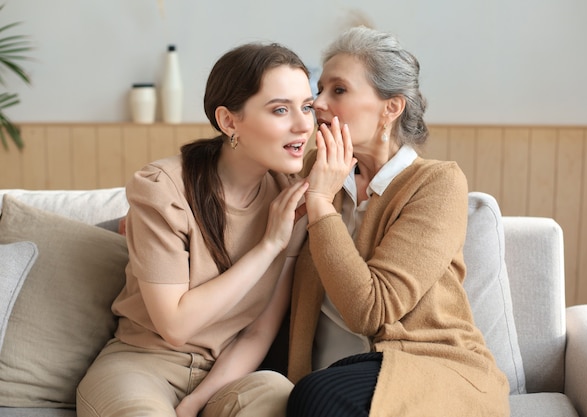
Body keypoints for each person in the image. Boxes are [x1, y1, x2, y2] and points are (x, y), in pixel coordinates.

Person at [76, 42, 315, 417]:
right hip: (142, 366)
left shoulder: (291, 199)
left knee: (276, 392)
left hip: (225, 378)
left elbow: (257, 333)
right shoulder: (163, 188)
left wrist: (195, 405)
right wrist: (269, 245)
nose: (303, 124)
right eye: (281, 109)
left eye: (307, 107)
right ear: (229, 121)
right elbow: (175, 325)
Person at [286, 26, 510, 416]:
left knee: (317, 395)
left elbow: (371, 310)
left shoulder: (436, 183)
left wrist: (320, 203)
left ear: (391, 108)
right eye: (318, 89)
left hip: (425, 369)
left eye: (337, 90)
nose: (317, 103)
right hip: (329, 379)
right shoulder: (314, 170)